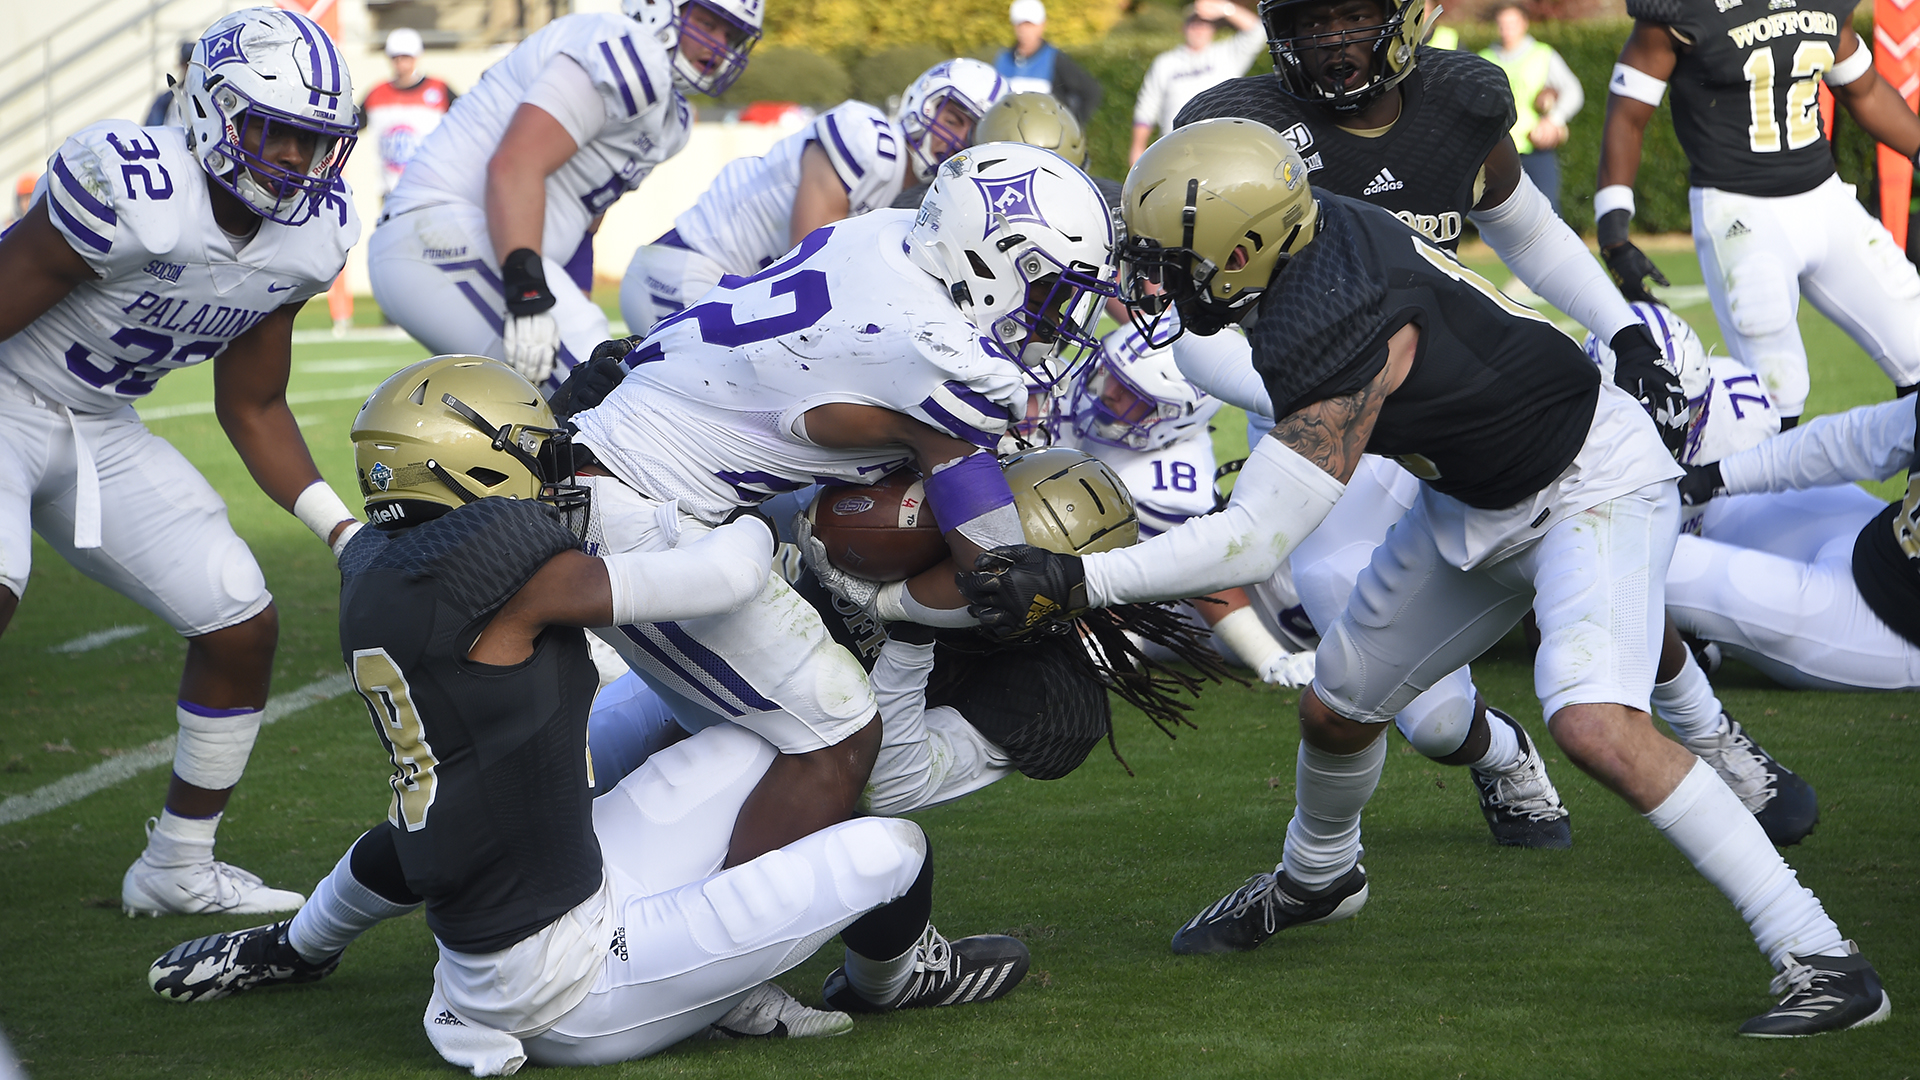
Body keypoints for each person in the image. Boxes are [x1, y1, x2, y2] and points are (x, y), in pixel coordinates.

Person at [961, 121, 1889, 1037]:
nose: (1152, 282)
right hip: (1471, 497)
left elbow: (1251, 541)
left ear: (1245, 247)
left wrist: (1080, 579)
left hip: (1590, 481)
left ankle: (1821, 954)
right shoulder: (1301, 227)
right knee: (1337, 707)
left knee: (1594, 722)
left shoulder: (1338, 315)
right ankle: (1319, 878)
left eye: (1173, 261)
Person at [145, 357, 1028, 1070]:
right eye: (533, 454)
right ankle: (888, 981)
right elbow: (725, 573)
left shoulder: (375, 562)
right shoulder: (524, 584)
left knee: (750, 749)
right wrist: (771, 514)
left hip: (511, 926)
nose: (554, 469)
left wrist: (301, 947)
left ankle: (297, 950)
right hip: (572, 994)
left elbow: (409, 843)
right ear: (478, 473)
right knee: (895, 850)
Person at [565, 142, 1117, 866]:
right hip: (645, 512)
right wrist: (907, 602)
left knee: (723, 734)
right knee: (836, 740)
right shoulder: (946, 357)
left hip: (606, 459)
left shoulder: (875, 238)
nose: (1057, 319)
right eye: (1048, 291)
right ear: (992, 262)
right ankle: (722, 965)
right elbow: (998, 578)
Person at [0, 7, 361, 916]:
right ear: (208, 108)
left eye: (315, 142)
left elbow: (253, 402)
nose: (294, 162)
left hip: (98, 423)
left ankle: (176, 869)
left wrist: (344, 532)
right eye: (273, 131)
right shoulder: (132, 182)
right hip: (4, 390)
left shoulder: (309, 235)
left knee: (238, 618)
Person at [368, 0, 762, 396]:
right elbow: (514, 163)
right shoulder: (626, 49)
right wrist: (529, 296)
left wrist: (576, 300)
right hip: (435, 230)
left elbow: (586, 221)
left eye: (731, 36)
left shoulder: (672, 120)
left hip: (481, 247)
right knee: (598, 397)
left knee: (575, 391)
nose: (718, 45)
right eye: (708, 24)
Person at [1598, 0, 1920, 427]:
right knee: (1776, 394)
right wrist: (1614, 231)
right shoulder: (1684, 11)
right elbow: (1628, 115)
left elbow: (1864, 89)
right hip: (1740, 212)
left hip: (1825, 198)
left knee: (1915, 345)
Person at [619, 58, 1006, 334]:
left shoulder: (914, 196)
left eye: (971, 135)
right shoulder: (869, 139)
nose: (956, 140)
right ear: (923, 101)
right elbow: (810, 267)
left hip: (730, 294)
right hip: (686, 274)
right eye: (954, 119)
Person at [1064, 322, 1317, 689]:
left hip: (1160, 610)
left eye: (1129, 391)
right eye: (1111, 374)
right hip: (1171, 597)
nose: (1108, 393)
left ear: (1166, 414)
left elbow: (1206, 570)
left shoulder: (1169, 490)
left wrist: (1271, 658)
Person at [1671, 392, 1920, 692]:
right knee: (1721, 510)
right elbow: (1861, 437)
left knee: (1666, 562)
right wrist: (1715, 477)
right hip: (1880, 537)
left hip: (1895, 626)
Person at [1130, 0, 1265, 165]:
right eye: (1194, 23)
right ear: (1184, 26)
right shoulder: (1165, 62)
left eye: (1205, 24)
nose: (1199, 29)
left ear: (1213, 28)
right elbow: (1146, 108)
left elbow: (1259, 31)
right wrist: (1137, 148)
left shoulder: (1226, 55)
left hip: (1223, 147)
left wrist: (1224, 8)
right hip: (1176, 150)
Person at [1478, 1, 1581, 217]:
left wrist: (1554, 119)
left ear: (1524, 24)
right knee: (1503, 217)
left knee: (1548, 211)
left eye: (1512, 24)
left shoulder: (1542, 54)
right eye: (1502, 24)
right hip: (1497, 150)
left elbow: (1574, 91)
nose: (1507, 30)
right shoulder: (1484, 59)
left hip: (1535, 148)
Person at [360, 28, 457, 201]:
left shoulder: (439, 89)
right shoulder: (376, 93)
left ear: (416, 57)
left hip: (430, 188)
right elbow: (352, 125)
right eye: (396, 58)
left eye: (406, 57)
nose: (401, 63)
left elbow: (466, 120)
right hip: (391, 189)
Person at [994, 0, 1104, 126]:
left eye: (1030, 24)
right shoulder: (1003, 59)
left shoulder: (1055, 59)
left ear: (1042, 25)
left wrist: (1071, 127)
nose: (1025, 30)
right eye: (1021, 24)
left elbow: (1091, 91)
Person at [142, 39, 196, 127]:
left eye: (193, 64)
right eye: (187, 64)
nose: (190, 69)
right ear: (180, 65)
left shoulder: (212, 96)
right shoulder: (166, 100)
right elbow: (152, 129)